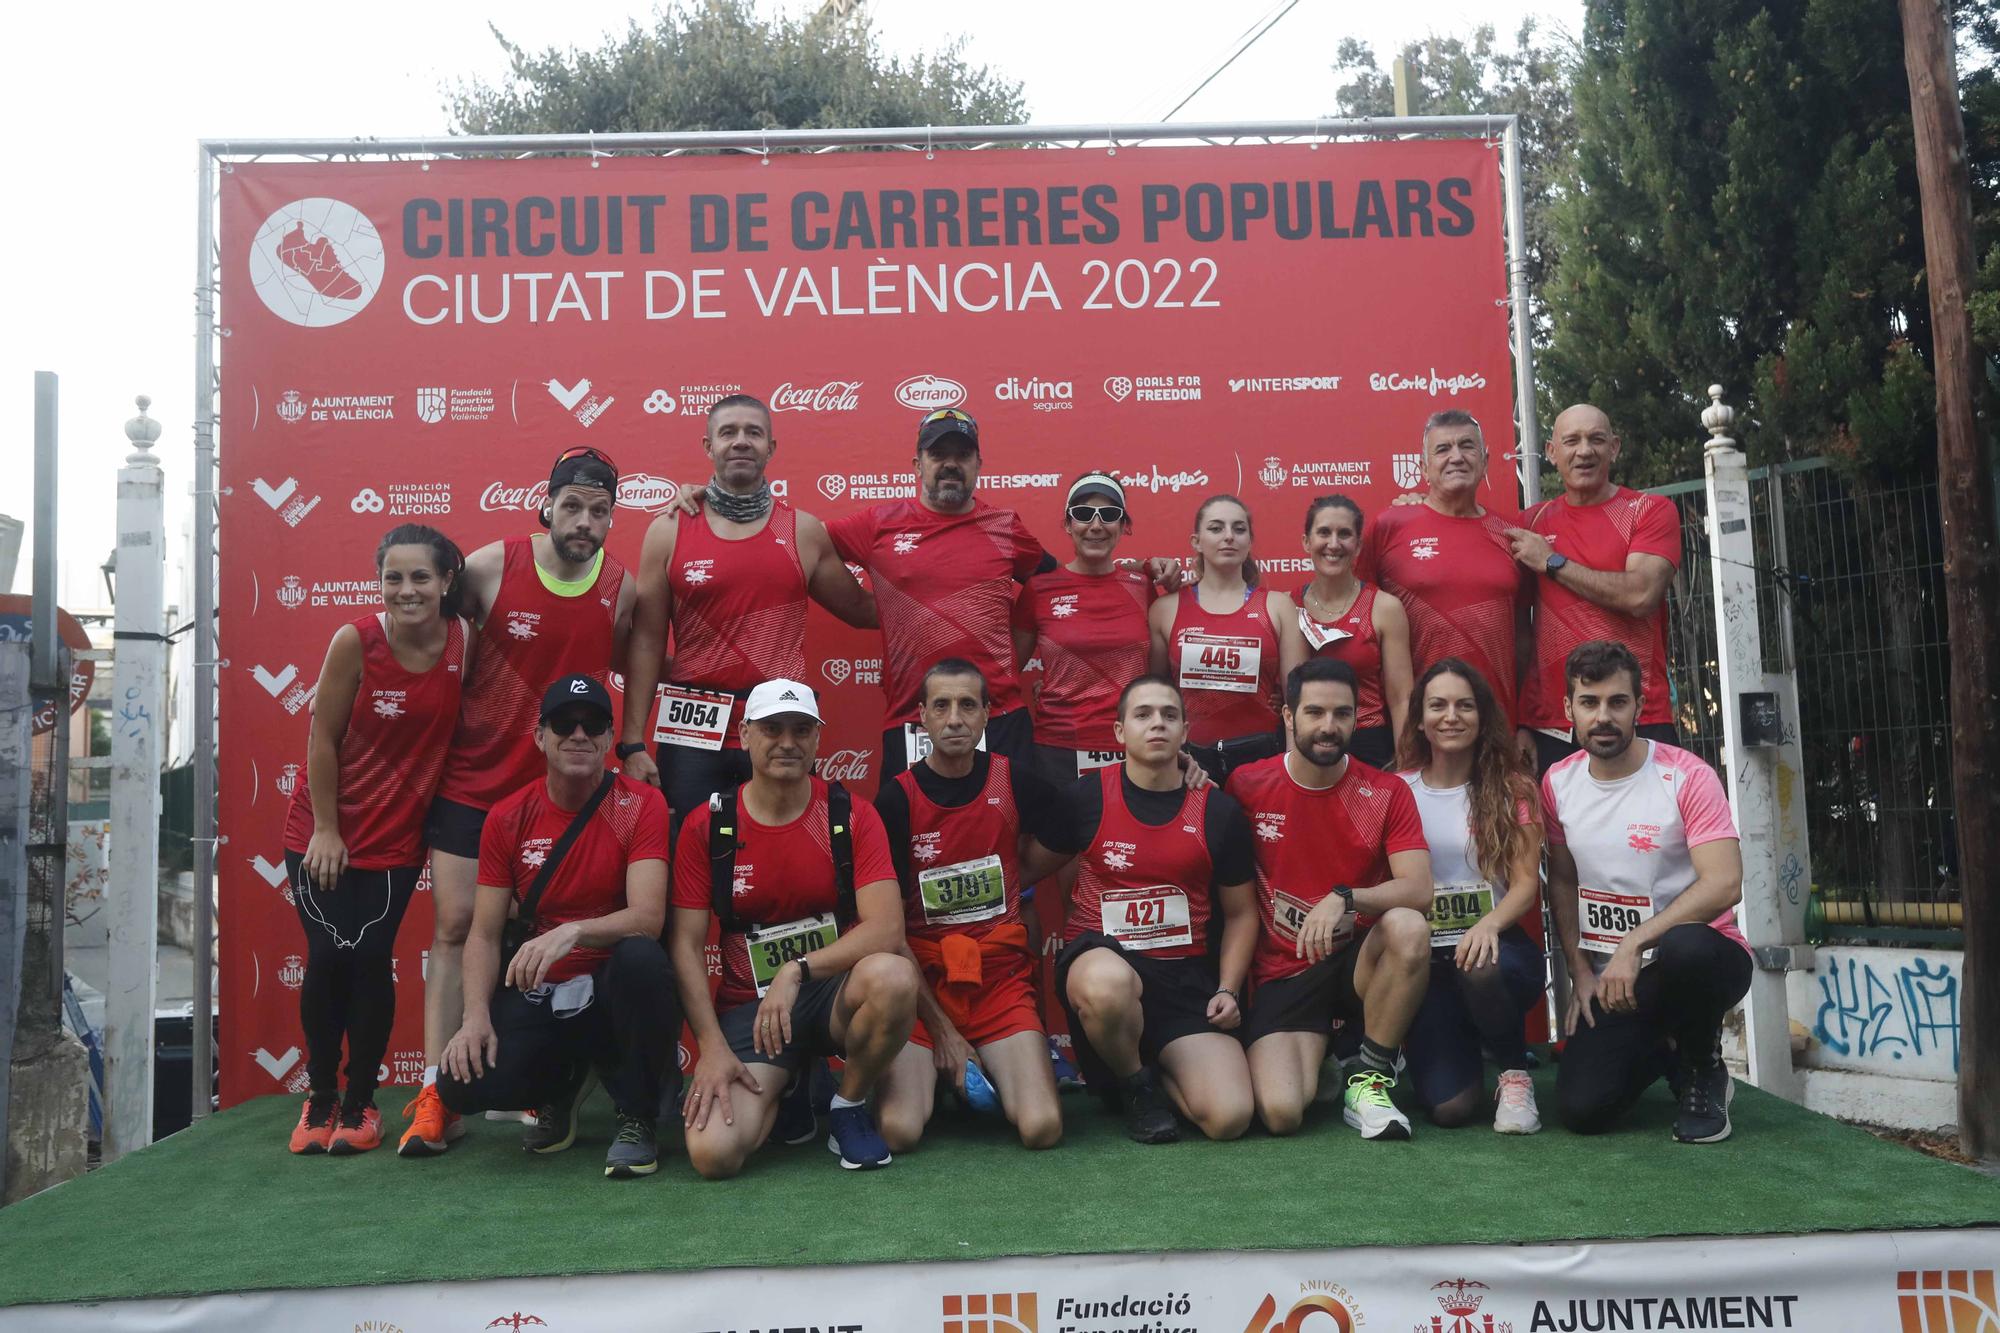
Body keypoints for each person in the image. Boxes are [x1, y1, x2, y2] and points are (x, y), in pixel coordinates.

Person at [404, 447, 637, 1157]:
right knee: (457, 925)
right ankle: (437, 1092)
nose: (586, 521)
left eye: (600, 511)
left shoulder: (623, 587)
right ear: (547, 503)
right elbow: (424, 635)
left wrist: (633, 745)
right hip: (476, 781)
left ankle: (555, 1083)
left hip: (564, 793)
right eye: (573, 505)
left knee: (561, 934)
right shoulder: (489, 567)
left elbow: (641, 661)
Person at [670, 679, 920, 1175]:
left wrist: (797, 970)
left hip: (833, 996)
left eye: (801, 730)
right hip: (751, 1007)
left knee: (893, 975)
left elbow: (887, 929)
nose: (787, 742)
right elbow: (685, 944)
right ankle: (791, 1082)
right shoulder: (710, 823)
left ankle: (846, 1106)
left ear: (817, 739)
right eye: (772, 729)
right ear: (743, 735)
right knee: (713, 1155)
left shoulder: (850, 815)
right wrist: (711, 1046)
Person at [437, 675, 680, 1180]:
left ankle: (636, 1117)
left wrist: (571, 932)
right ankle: (562, 1084)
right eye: (563, 724)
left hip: (614, 986)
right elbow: (482, 934)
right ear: (539, 736)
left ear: (610, 738)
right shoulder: (507, 817)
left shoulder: (642, 803)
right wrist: (475, 1016)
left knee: (641, 957)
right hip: (545, 992)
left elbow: (648, 917)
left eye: (592, 724)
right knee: (461, 1085)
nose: (578, 734)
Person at [282, 526, 469, 1154]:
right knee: (329, 957)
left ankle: (362, 1105)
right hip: (323, 833)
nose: (407, 590)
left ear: (447, 582)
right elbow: (322, 740)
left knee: (367, 961)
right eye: (394, 577)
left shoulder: (464, 643)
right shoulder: (354, 641)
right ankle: (320, 1100)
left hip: (397, 839)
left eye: (421, 577)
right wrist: (328, 830)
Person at [619, 394, 877, 824]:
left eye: (753, 433)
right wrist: (631, 742)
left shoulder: (803, 531)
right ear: (708, 446)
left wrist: (935, 588)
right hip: (692, 729)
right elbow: (645, 640)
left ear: (771, 448)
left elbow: (861, 609)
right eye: (728, 433)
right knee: (691, 859)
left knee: (785, 854)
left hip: (779, 725)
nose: (741, 442)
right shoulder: (669, 529)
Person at [1024, 676, 1259, 1144]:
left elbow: (1242, 914)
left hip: (1183, 980)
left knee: (1230, 1117)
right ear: (1119, 732)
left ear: (1185, 731)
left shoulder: (1218, 811)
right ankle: (1134, 1086)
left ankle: (1150, 1071)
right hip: (1102, 965)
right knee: (1109, 984)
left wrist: (1229, 989)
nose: (1157, 724)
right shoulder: (1085, 799)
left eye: (1169, 715)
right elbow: (1025, 871)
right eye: (1143, 715)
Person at [1543, 641, 1750, 1143]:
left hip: (1699, 960)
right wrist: (1577, 969)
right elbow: (1564, 879)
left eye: (1617, 702)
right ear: (1569, 710)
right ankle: (1668, 1049)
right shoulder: (1556, 782)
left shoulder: (1685, 776)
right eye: (1589, 703)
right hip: (1614, 981)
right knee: (1582, 1110)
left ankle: (1704, 1067)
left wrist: (1634, 943)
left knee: (1687, 946)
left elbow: (1725, 882)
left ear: (1640, 704)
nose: (1603, 717)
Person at [1226, 658, 1434, 1139]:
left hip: (1357, 964)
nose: (1328, 726)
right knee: (1280, 1113)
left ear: (1357, 717)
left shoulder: (1386, 790)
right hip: (1284, 970)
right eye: (1315, 712)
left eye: (1342, 714)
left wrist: (1345, 897)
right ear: (1288, 717)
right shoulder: (1247, 786)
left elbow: (1419, 889)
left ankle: (1368, 1077)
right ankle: (1332, 1052)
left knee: (1408, 926)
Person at [870, 660, 1067, 1152]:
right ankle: (946, 1072)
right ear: (921, 717)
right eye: (941, 706)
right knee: (899, 1131)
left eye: (967, 706)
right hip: (924, 986)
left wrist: (1017, 875)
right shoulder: (896, 799)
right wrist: (943, 1032)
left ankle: (982, 1062)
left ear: (986, 716)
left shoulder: (1014, 780)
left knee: (1042, 1128)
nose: (954, 718)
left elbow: (1074, 826)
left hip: (997, 982)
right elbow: (887, 931)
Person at [1395, 658, 1547, 1133]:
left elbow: (1526, 883)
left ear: (1482, 716)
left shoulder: (1512, 788)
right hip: (1429, 965)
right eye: (1437, 705)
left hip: (1497, 953)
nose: (1451, 716)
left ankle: (1513, 1074)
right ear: (1419, 718)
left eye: (1464, 705)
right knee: (1450, 1110)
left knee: (1479, 964)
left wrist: (1488, 925)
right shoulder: (1396, 790)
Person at [1507, 405, 1683, 774]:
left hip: (1637, 713)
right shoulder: (1533, 522)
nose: (1584, 451)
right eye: (1571, 441)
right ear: (1552, 452)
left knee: (1647, 832)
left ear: (1614, 448)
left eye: (1596, 439)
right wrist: (1523, 720)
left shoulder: (1648, 510)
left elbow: (1640, 595)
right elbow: (1519, 632)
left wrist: (1554, 563)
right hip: (1552, 724)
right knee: (1560, 834)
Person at [1359, 411, 1530, 738]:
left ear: (1485, 460)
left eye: (1467, 446)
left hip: (1496, 724)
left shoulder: (1512, 535)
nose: (1456, 457)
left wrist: (1525, 725)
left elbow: (1523, 637)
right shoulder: (1388, 527)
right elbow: (1362, 624)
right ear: (1423, 468)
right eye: (1442, 449)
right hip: (1420, 725)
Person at [1014, 471, 1157, 788]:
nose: (1095, 526)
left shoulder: (1143, 587)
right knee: (1058, 838)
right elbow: (1006, 673)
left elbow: (1162, 675)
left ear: (1122, 526)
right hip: (1058, 749)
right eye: (1083, 514)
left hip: (1133, 745)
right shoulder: (1039, 589)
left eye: (1108, 515)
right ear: (1068, 524)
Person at [1149, 494, 1308, 780]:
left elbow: (1297, 699)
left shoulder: (1277, 606)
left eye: (1238, 529)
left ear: (1249, 540)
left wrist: (1293, 768)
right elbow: (1155, 698)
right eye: (1215, 528)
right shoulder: (1165, 609)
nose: (1228, 537)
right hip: (1189, 764)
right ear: (1196, 541)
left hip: (1263, 760)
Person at [1296, 495, 1413, 768]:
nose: (1334, 544)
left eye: (1345, 534)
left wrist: (1408, 769)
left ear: (1358, 545)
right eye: (1324, 532)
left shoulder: (1384, 608)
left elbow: (1401, 698)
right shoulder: (1287, 606)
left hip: (1368, 743)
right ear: (1306, 542)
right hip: (1306, 742)